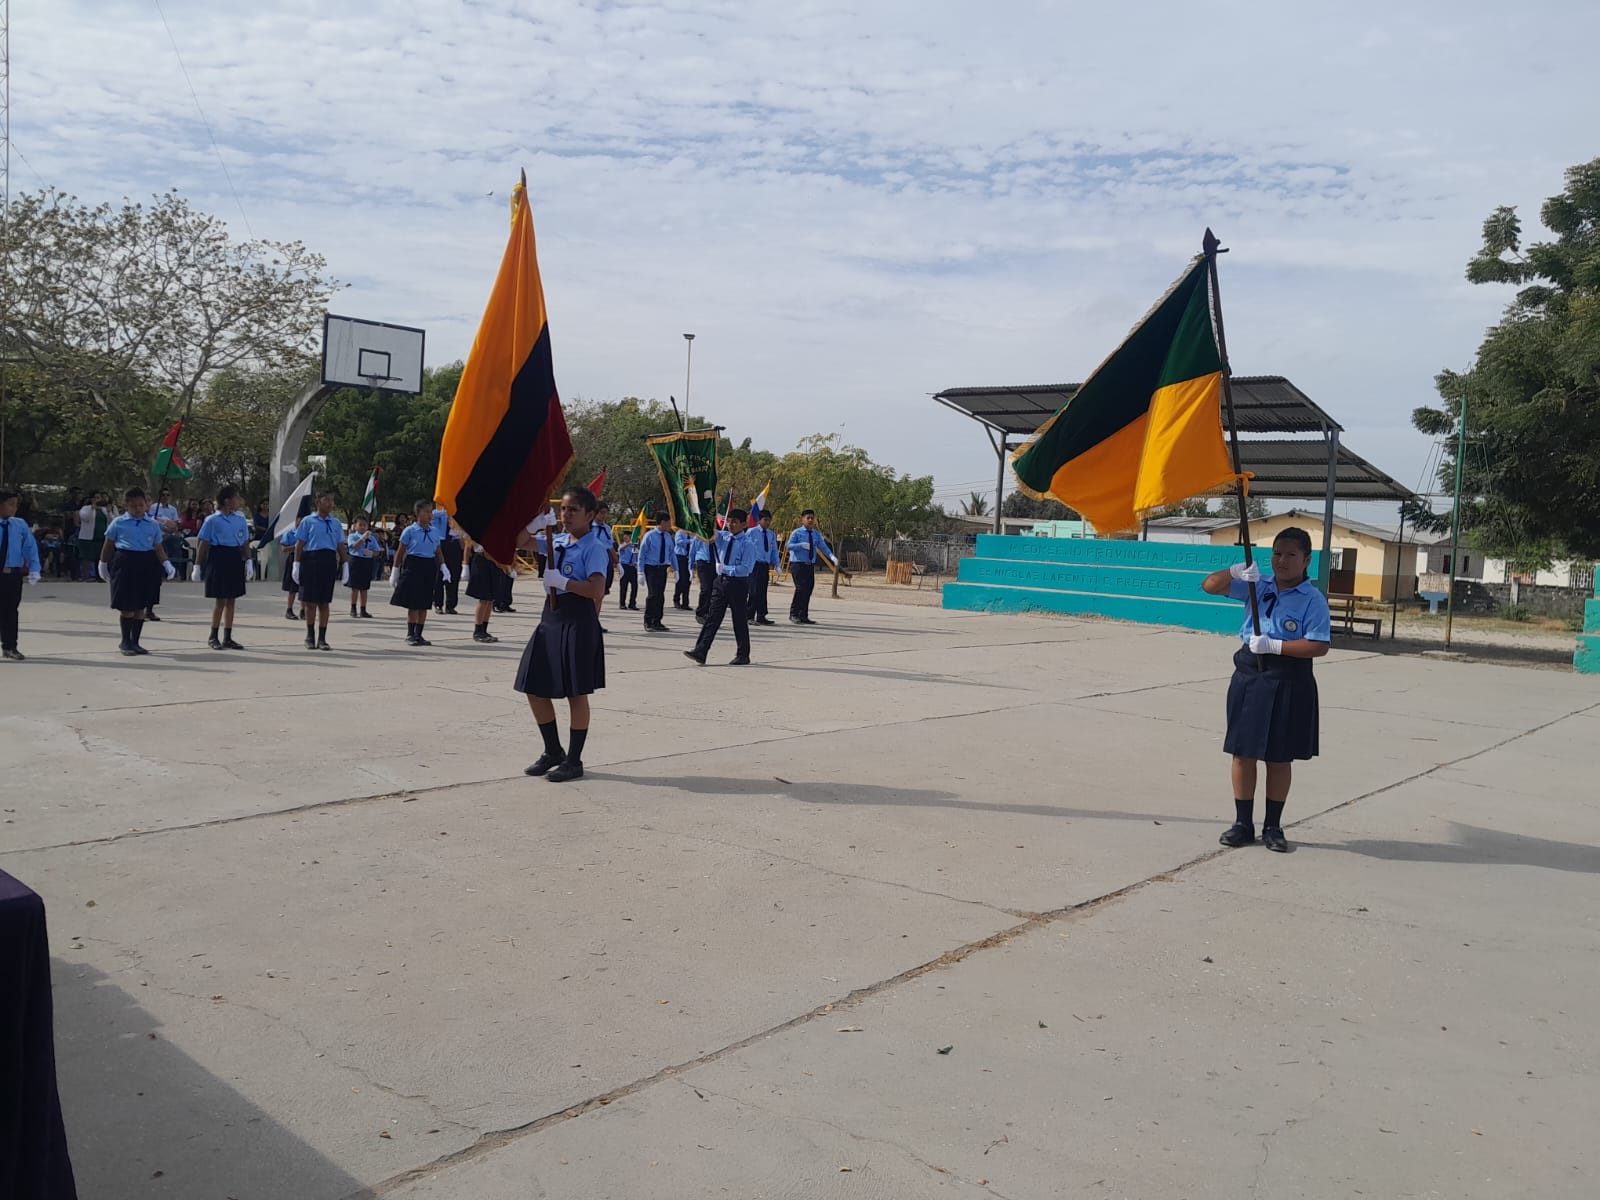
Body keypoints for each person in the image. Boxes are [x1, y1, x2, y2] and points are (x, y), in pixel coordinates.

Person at [1199, 527, 1330, 853]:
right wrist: (1234, 572)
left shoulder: (1312, 599)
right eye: (1277, 553)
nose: (1281, 561)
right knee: (1242, 752)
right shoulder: (1258, 585)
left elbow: (1318, 645)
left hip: (1288, 677)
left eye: (1291, 555)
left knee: (1278, 756)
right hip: (1250, 674)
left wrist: (1276, 645)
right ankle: (1243, 823)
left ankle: (1273, 826)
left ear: (1306, 560)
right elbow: (1209, 587)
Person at [515, 487, 607, 783]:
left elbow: (596, 589)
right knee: (533, 685)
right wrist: (535, 523)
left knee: (575, 693)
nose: (566, 515)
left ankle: (574, 760)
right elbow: (520, 542)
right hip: (551, 619)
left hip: (577, 619)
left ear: (590, 515)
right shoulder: (557, 541)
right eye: (563, 509)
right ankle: (553, 750)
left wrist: (564, 582)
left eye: (573, 510)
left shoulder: (594, 548)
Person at [98, 488, 176, 656]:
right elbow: (108, 544)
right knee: (127, 606)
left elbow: (158, 547)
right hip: (125, 561)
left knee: (141, 605)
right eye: (133, 506)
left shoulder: (152, 524)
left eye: (141, 505)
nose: (138, 509)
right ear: (127, 505)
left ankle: (136, 641)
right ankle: (125, 641)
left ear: (146, 505)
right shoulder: (119, 522)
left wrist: (166, 563)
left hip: (146, 562)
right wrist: (102, 563)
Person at [684, 508, 756, 667]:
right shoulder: (723, 537)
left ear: (743, 524)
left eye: (735, 522)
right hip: (720, 583)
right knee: (712, 618)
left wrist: (726, 568)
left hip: (737, 583)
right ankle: (701, 650)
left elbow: (746, 569)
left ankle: (743, 654)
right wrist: (703, 509)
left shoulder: (747, 544)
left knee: (739, 619)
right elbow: (707, 531)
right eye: (729, 521)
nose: (731, 525)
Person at [195, 484, 252, 650]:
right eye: (236, 498)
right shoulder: (212, 520)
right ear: (227, 501)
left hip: (234, 556)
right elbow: (203, 543)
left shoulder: (240, 519)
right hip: (218, 556)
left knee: (232, 599)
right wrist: (197, 565)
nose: (239, 501)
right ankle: (213, 635)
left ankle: (228, 636)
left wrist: (249, 561)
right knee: (220, 600)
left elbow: (244, 541)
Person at [390, 500, 451, 646]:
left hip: (429, 565)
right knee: (414, 602)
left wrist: (443, 566)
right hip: (414, 564)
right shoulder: (410, 530)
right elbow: (400, 551)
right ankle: (410, 633)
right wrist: (395, 570)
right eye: (426, 512)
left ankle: (419, 634)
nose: (429, 515)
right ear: (418, 514)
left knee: (424, 602)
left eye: (430, 512)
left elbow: (438, 551)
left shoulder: (434, 531)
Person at [293, 492, 347, 651]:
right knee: (310, 602)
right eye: (327, 500)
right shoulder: (308, 521)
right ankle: (310, 635)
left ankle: (322, 638)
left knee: (324, 602)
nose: (330, 503)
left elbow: (340, 545)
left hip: (328, 561)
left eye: (332, 500)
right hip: (311, 560)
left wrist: (345, 564)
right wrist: (296, 564)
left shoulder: (336, 523)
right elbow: (299, 544)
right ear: (318, 502)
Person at [0, 489, 43, 661]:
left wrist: (34, 568)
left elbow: (30, 547)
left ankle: (10, 646)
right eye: (10, 504)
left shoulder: (19, 524)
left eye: (15, 505)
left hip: (11, 574)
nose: (14, 508)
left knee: (10, 611)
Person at [786, 509, 840, 625]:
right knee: (800, 589)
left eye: (812, 518)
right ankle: (794, 614)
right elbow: (788, 546)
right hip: (798, 565)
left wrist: (832, 556)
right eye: (808, 518)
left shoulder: (816, 534)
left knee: (808, 590)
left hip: (810, 566)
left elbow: (823, 547)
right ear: (802, 519)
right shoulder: (797, 533)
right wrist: (800, 545)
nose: (810, 520)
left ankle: (803, 615)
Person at [462, 538, 506, 643]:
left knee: (490, 599)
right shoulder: (478, 531)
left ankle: (484, 629)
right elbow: (468, 546)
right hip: (481, 561)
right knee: (484, 598)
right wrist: (465, 565)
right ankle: (478, 630)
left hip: (495, 562)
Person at [637, 512, 674, 632]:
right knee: (653, 595)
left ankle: (657, 621)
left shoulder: (668, 536)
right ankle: (648, 620)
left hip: (662, 568)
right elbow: (642, 554)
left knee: (660, 595)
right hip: (651, 568)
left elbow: (672, 553)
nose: (670, 525)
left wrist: (676, 569)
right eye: (669, 522)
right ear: (662, 522)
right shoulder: (649, 536)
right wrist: (640, 572)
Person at [345, 517, 382, 618]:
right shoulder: (352, 536)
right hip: (356, 561)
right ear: (355, 526)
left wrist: (371, 553)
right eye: (360, 525)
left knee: (364, 588)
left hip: (367, 561)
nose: (362, 527)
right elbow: (355, 546)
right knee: (355, 587)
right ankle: (353, 608)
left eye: (364, 525)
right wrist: (363, 538)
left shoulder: (372, 538)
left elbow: (377, 551)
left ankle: (363, 609)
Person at [748, 510, 780, 625]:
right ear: (759, 520)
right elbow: (744, 547)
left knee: (762, 591)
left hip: (765, 565)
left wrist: (777, 564)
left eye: (769, 520)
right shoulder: (752, 532)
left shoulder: (771, 534)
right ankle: (749, 615)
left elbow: (774, 550)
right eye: (765, 520)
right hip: (754, 565)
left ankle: (761, 616)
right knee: (754, 591)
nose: (767, 522)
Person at [434, 519, 465, 615]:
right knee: (439, 577)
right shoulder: (438, 515)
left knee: (454, 577)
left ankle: (450, 605)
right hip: (441, 544)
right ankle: (438, 604)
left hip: (455, 545)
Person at [692, 532, 716, 623]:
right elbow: (693, 551)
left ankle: (708, 612)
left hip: (714, 564)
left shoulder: (717, 536)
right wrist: (690, 567)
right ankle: (700, 613)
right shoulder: (699, 536)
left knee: (713, 590)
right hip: (703, 563)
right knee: (705, 589)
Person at [279, 523, 302, 619]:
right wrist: (297, 546)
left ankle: (303, 610)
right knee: (292, 587)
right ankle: (289, 609)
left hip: (306, 558)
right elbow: (284, 548)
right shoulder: (289, 532)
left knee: (305, 587)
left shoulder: (309, 531)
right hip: (293, 558)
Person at [616, 529, 639, 611]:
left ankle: (632, 603)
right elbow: (621, 549)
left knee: (635, 586)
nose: (626, 537)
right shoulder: (622, 545)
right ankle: (622, 603)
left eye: (628, 536)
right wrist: (629, 543)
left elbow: (637, 555)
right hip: (624, 567)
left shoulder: (634, 547)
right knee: (624, 586)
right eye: (625, 536)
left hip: (632, 567)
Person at [672, 526, 693, 609]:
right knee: (681, 579)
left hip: (688, 558)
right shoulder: (680, 532)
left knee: (688, 580)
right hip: (680, 557)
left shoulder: (692, 534)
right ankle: (676, 599)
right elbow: (678, 542)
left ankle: (685, 603)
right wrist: (690, 541)